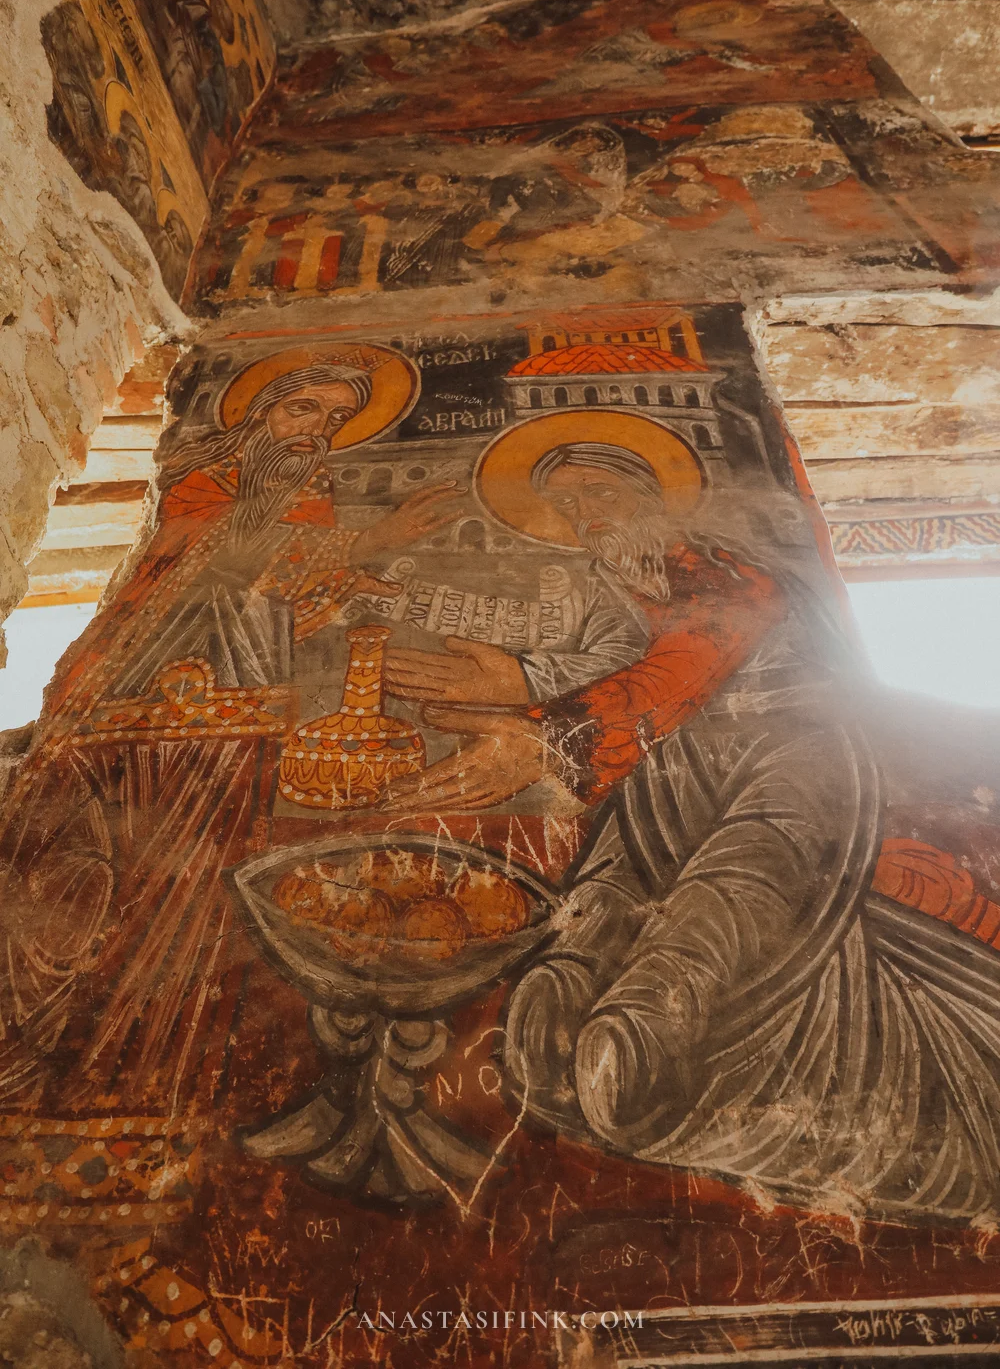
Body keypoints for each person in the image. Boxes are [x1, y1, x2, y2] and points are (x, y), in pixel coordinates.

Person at [387, 441, 1000, 1224]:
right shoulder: (620, 584)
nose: (584, 514)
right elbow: (628, 661)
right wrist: (525, 678)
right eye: (567, 505)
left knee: (733, 884)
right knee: (618, 874)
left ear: (652, 494)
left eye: (599, 491)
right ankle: (567, 993)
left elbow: (695, 654)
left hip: (796, 755)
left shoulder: (726, 567)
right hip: (680, 760)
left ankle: (651, 1020)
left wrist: (552, 738)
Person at [0, 360, 461, 1112]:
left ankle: (134, 1085)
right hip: (121, 723)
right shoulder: (199, 478)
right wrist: (367, 542)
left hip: (233, 730)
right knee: (74, 887)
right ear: (260, 410)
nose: (316, 431)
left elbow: (271, 612)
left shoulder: (304, 495)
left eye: (333, 420)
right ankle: (37, 1065)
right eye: (303, 409)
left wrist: (349, 589)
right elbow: (213, 561)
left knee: (187, 907)